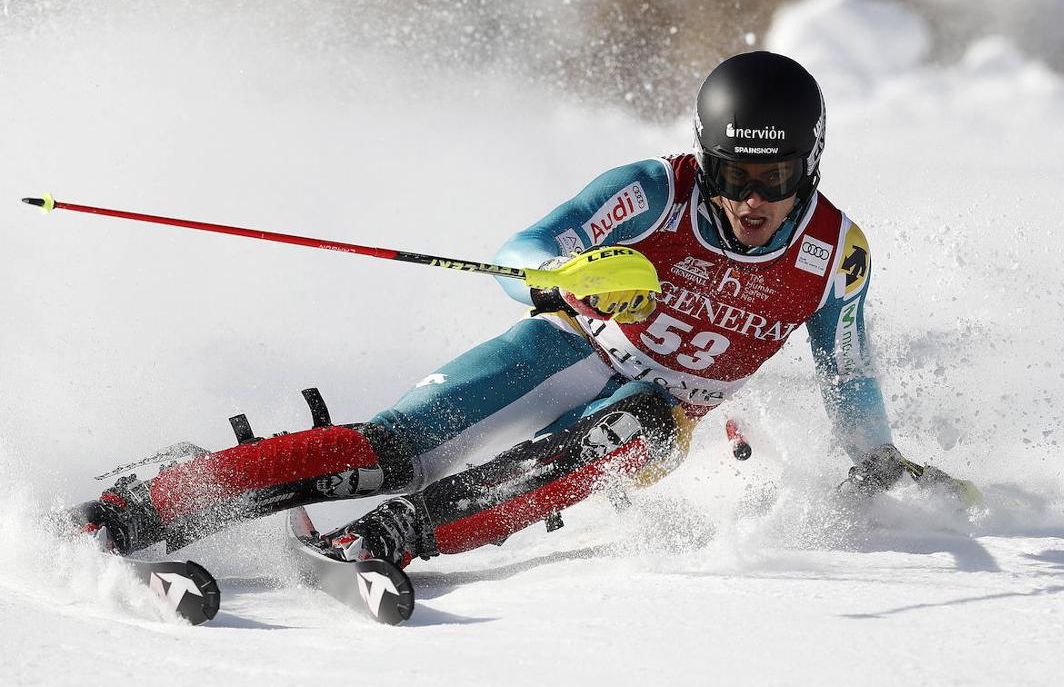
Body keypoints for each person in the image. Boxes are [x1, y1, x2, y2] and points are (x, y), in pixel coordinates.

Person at [72, 51, 976, 565]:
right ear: (708, 157)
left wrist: (878, 461)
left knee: (631, 430)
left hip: (660, 414)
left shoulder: (834, 255)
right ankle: (143, 507)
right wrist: (575, 277)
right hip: (571, 344)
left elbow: (849, 374)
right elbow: (519, 256)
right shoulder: (654, 190)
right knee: (392, 446)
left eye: (774, 178)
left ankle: (397, 539)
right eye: (737, 174)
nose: (752, 200)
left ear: (808, 165)